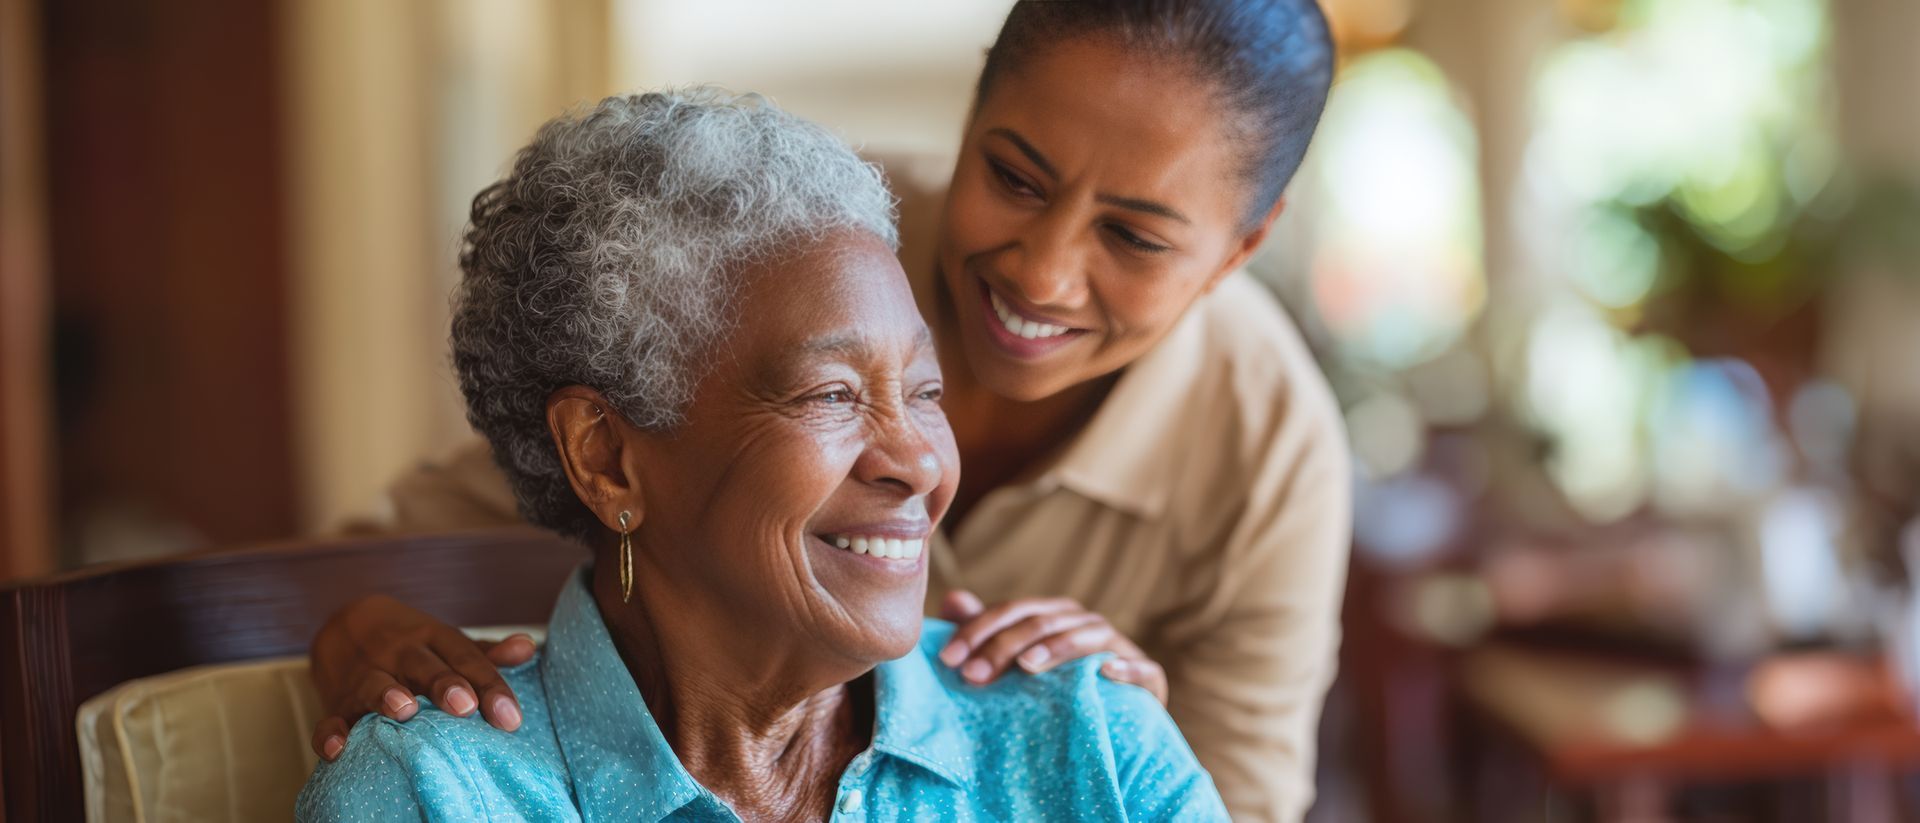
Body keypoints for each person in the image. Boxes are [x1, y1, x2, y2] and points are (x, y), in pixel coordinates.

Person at [310, 2, 1347, 818]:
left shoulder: (1264, 454)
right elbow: (490, 474)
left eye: (1136, 237)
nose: (1041, 271)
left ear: (1238, 252)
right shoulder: (782, 244)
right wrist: (351, 625)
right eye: (1014, 177)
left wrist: (1115, 747)